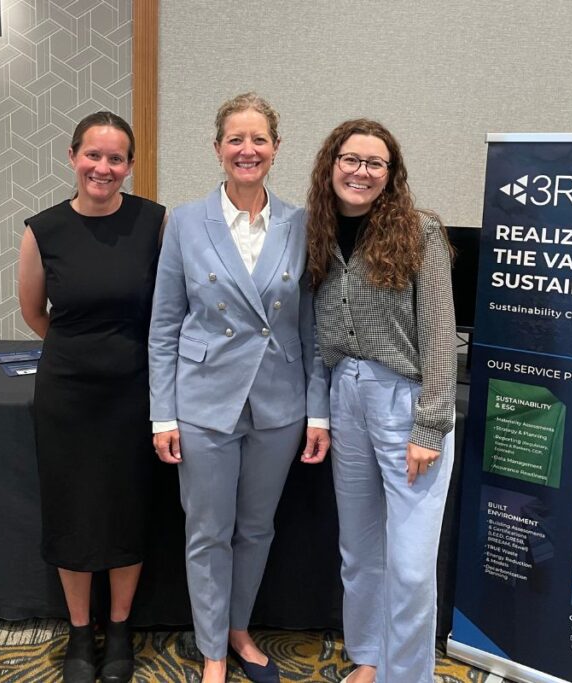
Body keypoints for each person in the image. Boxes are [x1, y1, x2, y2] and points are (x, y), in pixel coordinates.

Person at [148, 92, 331, 683]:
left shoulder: (300, 224)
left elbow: (311, 328)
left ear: (276, 149)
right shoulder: (183, 221)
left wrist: (318, 412)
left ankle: (238, 628)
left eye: (258, 140)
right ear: (217, 148)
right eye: (236, 139)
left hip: (278, 404)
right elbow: (164, 324)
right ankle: (213, 652)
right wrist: (162, 414)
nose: (246, 150)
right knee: (207, 532)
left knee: (255, 529)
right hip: (204, 402)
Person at [306, 119, 456, 683]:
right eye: (351, 159)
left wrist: (430, 426)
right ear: (332, 164)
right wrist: (319, 409)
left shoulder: (420, 233)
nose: (361, 172)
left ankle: (406, 675)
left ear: (391, 175)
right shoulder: (316, 233)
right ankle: (368, 658)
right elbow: (313, 335)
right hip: (344, 395)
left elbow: (441, 333)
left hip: (406, 401)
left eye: (375, 163)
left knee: (412, 567)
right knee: (359, 550)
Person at [18, 111, 165, 683]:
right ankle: (81, 633)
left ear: (129, 165)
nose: (104, 168)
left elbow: (168, 307)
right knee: (72, 510)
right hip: (67, 394)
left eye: (116, 158)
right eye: (93, 155)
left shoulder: (154, 222)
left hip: (135, 391)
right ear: (73, 156)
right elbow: (34, 312)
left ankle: (121, 628)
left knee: (127, 508)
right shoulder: (43, 229)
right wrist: (78, 352)